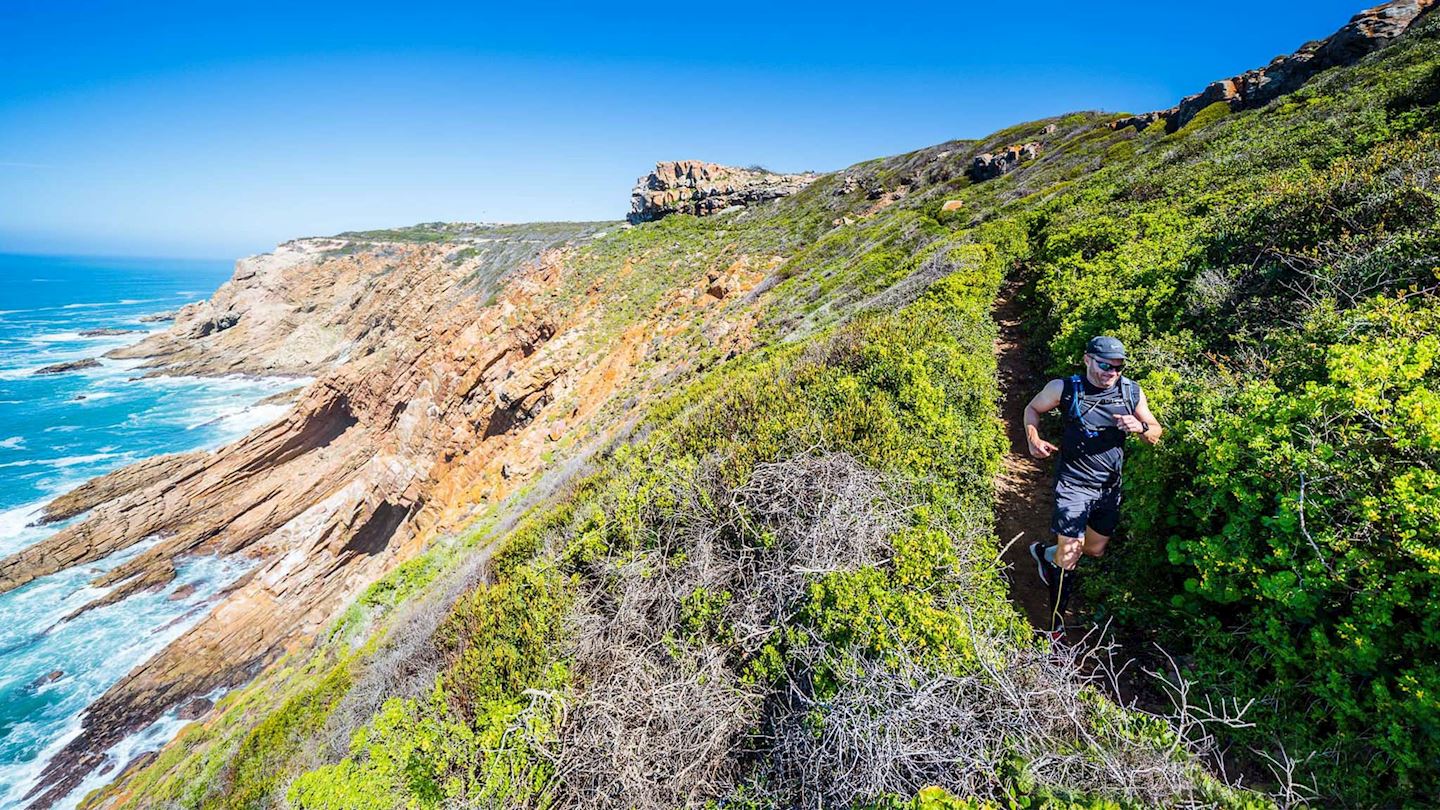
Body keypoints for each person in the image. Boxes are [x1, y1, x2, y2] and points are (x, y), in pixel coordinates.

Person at [1021, 335, 1162, 643]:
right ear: (1087, 359)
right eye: (1104, 365)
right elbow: (1032, 409)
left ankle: (1047, 555)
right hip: (1072, 483)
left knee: (1094, 549)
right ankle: (1055, 628)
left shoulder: (1131, 392)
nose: (1110, 372)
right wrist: (1033, 439)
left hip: (1109, 487)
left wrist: (1141, 428)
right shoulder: (1065, 388)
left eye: (1117, 367)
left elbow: (1156, 432)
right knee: (1070, 552)